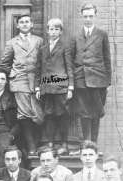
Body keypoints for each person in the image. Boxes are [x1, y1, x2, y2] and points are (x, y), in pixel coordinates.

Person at [0, 14, 44, 156]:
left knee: (38, 115)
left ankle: (36, 143)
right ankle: (31, 147)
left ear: (31, 24)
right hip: (19, 81)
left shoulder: (39, 41)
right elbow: (5, 64)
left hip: (36, 81)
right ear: (17, 25)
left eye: (27, 22)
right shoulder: (12, 42)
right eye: (21, 22)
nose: (24, 24)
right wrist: (12, 74)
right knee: (24, 114)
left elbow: (44, 61)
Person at [72, 3, 111, 143]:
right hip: (81, 79)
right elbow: (72, 59)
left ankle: (93, 142)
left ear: (95, 16)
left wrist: (108, 81)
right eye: (85, 16)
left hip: (98, 79)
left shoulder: (102, 35)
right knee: (83, 113)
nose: (88, 19)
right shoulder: (76, 36)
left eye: (91, 16)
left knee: (96, 112)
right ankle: (86, 142)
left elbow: (107, 59)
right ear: (81, 16)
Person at [35, 18, 74, 154]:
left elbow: (69, 67)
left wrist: (70, 87)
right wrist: (37, 87)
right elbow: (38, 68)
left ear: (61, 31)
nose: (53, 32)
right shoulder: (43, 49)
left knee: (62, 115)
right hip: (46, 87)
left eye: (56, 29)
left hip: (60, 87)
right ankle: (50, 143)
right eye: (51, 29)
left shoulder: (65, 47)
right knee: (49, 115)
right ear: (47, 31)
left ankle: (64, 144)